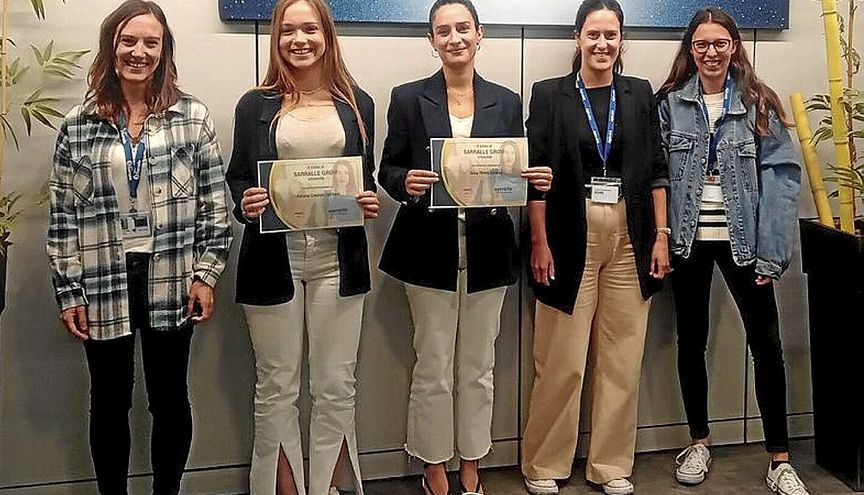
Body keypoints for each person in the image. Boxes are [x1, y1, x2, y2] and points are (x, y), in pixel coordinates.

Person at [46, 1, 232, 493]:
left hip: (171, 275)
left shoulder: (191, 117)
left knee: (170, 398)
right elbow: (62, 217)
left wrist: (206, 275)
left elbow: (216, 204)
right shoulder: (78, 124)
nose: (139, 52)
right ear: (112, 45)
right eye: (129, 41)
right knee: (108, 400)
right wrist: (70, 292)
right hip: (103, 277)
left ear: (164, 49)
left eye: (151, 42)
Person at [377, 1, 552, 494]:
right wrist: (403, 181)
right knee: (432, 363)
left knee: (478, 368)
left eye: (463, 28)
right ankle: (435, 465)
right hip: (426, 250)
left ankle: (472, 464)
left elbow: (513, 172)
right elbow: (387, 169)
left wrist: (532, 177)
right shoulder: (409, 98)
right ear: (431, 41)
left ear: (480, 34)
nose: (454, 38)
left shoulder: (506, 100)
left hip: (489, 249)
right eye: (443, 31)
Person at [224, 0, 378, 492]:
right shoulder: (256, 104)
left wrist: (366, 200)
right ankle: (281, 488)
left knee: (336, 385)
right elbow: (239, 179)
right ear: (276, 38)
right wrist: (246, 201)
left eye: (309, 28)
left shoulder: (358, 103)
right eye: (288, 30)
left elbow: (364, 178)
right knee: (277, 386)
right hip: (275, 259)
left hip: (339, 259)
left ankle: (331, 485)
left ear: (327, 34)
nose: (299, 40)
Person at [519, 1, 670, 494]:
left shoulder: (640, 94)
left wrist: (662, 235)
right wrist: (538, 243)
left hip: (631, 233)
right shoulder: (550, 95)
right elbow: (535, 178)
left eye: (611, 35)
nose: (602, 44)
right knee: (561, 359)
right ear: (577, 37)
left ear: (622, 39)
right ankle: (544, 465)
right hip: (566, 233)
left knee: (622, 358)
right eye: (593, 34)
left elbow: (655, 171)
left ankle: (610, 465)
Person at [656, 7, 807, 495]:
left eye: (720, 43)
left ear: (735, 47)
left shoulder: (758, 102)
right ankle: (699, 441)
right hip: (688, 242)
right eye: (701, 44)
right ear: (690, 50)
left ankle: (779, 459)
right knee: (690, 342)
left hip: (745, 246)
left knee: (767, 346)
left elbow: (783, 179)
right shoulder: (670, 105)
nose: (711, 53)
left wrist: (772, 254)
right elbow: (656, 177)